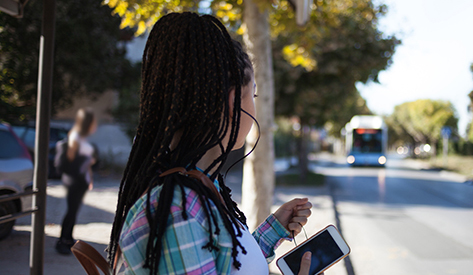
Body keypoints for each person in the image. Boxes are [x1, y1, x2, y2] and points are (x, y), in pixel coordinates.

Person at [107, 13, 316, 275]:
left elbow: (227, 263)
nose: (255, 105)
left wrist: (272, 231)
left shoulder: (196, 187)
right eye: (253, 94)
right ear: (233, 102)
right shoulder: (178, 210)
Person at [55, 107, 97, 255]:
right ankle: (62, 241)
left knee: (74, 211)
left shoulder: (82, 138)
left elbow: (86, 164)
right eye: (93, 122)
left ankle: (68, 237)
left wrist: (89, 178)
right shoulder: (75, 137)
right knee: (71, 211)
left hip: (81, 182)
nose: (95, 125)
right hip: (74, 182)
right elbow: (71, 163)